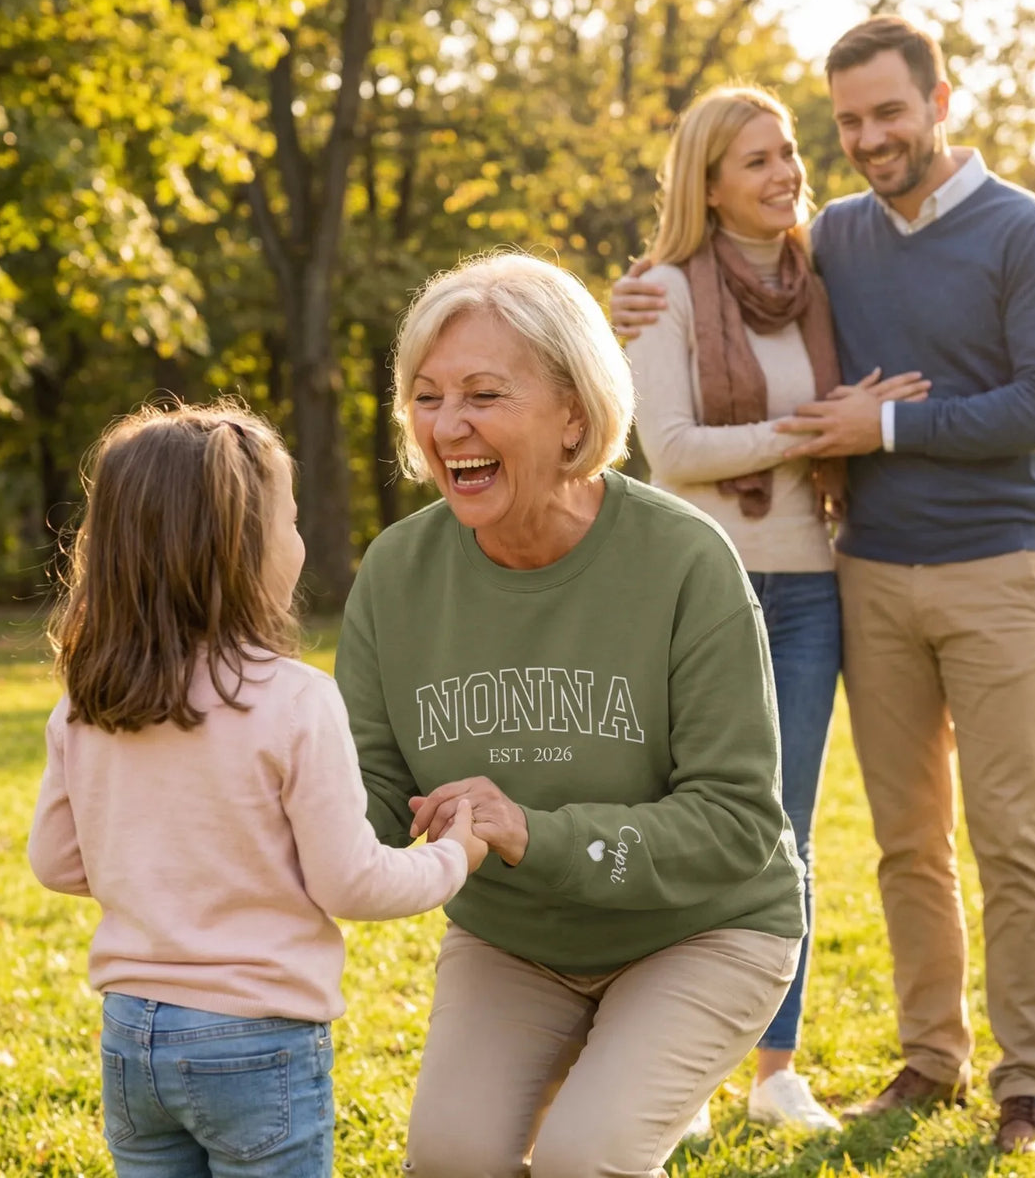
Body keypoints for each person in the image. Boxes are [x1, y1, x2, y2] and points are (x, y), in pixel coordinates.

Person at [611, 15, 1035, 1156]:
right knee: (904, 838)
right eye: (851, 122)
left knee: (1010, 833)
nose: (870, 138)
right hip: (866, 571)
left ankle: (1028, 1086)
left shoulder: (1029, 231)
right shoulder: (835, 237)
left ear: (941, 99)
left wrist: (879, 423)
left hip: (994, 567)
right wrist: (627, 296)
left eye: (889, 112)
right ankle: (933, 1060)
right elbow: (719, 276)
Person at [333, 250, 806, 1178]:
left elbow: (738, 823)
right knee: (450, 1162)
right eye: (426, 397)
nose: (447, 425)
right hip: (517, 938)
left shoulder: (684, 560)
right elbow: (372, 789)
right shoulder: (397, 572)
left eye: (482, 394)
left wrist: (532, 834)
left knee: (583, 1161)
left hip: (704, 931)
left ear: (576, 414)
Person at [28, 400, 487, 1178]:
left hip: (131, 1036)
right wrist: (455, 855)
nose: (300, 542)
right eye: (292, 522)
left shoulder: (88, 697)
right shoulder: (292, 699)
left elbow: (56, 861)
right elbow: (350, 881)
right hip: (257, 1040)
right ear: (241, 549)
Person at [621, 83, 928, 1134]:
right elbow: (672, 451)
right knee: (692, 827)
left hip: (809, 587)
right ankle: (686, 1071)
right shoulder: (660, 291)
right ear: (707, 184)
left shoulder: (818, 284)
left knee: (784, 831)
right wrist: (809, 432)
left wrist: (840, 431)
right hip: (699, 589)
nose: (785, 170)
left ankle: (775, 1070)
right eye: (755, 160)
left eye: (789, 151)